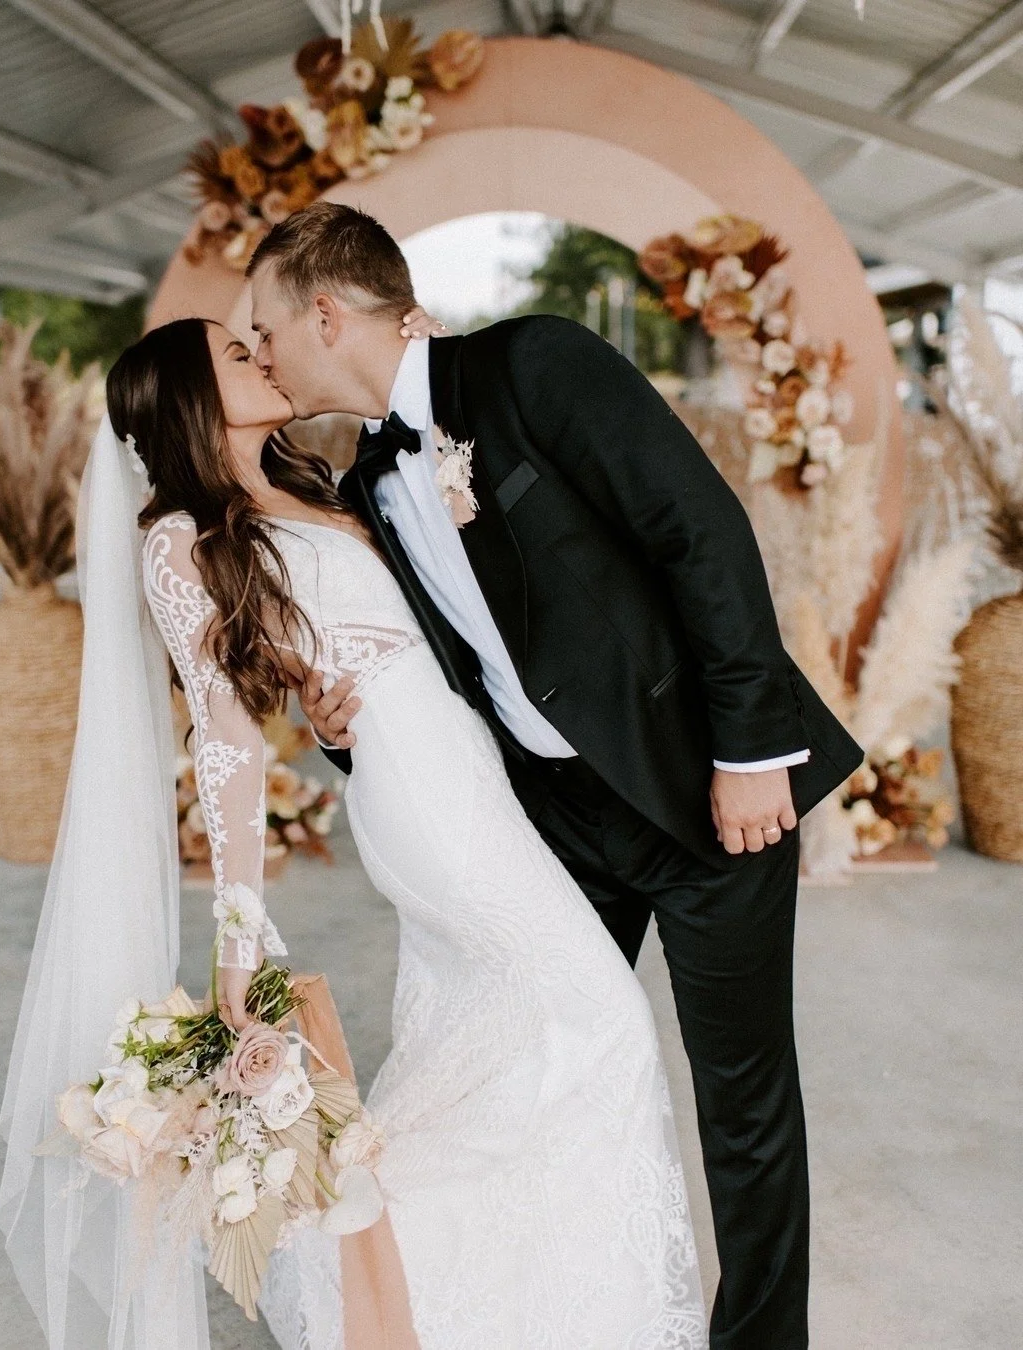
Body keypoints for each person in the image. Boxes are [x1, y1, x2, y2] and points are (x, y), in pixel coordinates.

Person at [244, 202, 866, 1350]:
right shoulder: (370, 477)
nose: (262, 357)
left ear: (324, 311)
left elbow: (703, 533)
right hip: (558, 818)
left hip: (701, 794)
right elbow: (444, 664)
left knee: (743, 1103)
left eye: (266, 330)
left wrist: (747, 755)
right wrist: (344, 728)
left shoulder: (534, 363)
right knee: (542, 1053)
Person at [123, 315, 706, 1348]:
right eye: (232, 351)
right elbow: (226, 730)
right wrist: (238, 924)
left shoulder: (315, 482)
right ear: (189, 400)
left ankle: (437, 1300)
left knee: (492, 1047)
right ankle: (520, 1305)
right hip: (422, 802)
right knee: (603, 1014)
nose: (259, 351)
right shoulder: (180, 536)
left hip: (471, 771)